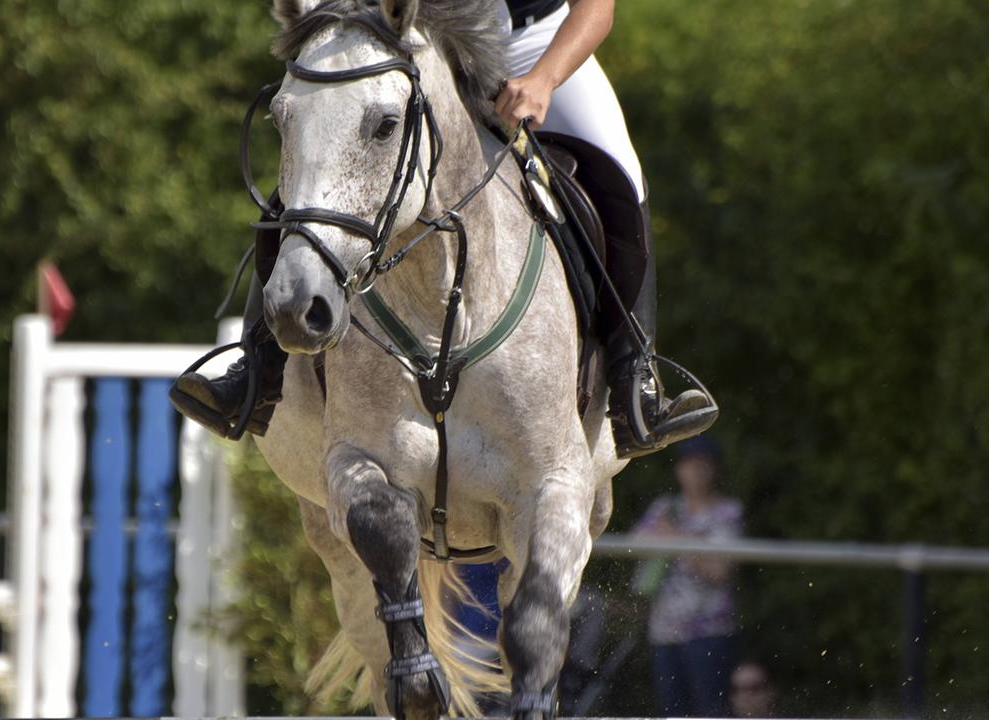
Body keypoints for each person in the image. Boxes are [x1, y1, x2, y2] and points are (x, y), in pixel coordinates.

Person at [170, 0, 717, 458]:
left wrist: (545, 80)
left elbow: (596, 9)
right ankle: (257, 371)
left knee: (621, 172)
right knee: (316, 180)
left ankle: (634, 380)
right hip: (423, 44)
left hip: (536, 45)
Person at [632, 435, 742, 716]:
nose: (695, 471)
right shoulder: (665, 507)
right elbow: (635, 546)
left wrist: (673, 537)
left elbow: (718, 571)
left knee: (710, 712)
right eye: (689, 464)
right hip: (664, 632)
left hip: (709, 632)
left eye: (702, 464)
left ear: (714, 469)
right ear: (678, 470)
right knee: (671, 712)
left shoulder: (727, 512)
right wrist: (693, 547)